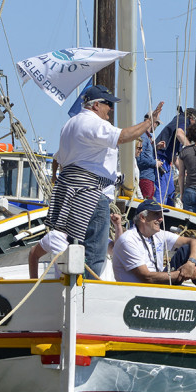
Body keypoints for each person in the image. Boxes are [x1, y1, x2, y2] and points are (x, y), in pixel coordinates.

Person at [28, 86, 164, 278]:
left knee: (75, 244)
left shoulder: (70, 124)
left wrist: (55, 178)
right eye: (108, 104)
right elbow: (124, 136)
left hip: (69, 192)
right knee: (94, 251)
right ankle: (85, 290)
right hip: (91, 193)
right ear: (96, 105)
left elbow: (58, 157)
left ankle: (72, 285)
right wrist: (149, 123)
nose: (111, 108)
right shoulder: (92, 124)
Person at [112, 199, 196, 287]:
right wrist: (183, 274)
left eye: (161, 215)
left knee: (187, 249)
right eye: (156, 214)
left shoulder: (159, 234)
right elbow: (146, 277)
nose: (161, 219)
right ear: (143, 218)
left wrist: (190, 263)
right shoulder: (128, 240)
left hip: (158, 284)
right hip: (141, 290)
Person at [154, 107, 196, 204]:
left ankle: (169, 213)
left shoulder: (178, 120)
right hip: (161, 158)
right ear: (192, 119)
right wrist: (193, 149)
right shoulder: (183, 120)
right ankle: (158, 213)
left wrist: (183, 170)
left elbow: (174, 156)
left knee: (170, 191)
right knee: (162, 191)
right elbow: (179, 133)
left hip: (167, 159)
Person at [136, 113, 162, 199]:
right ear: (153, 123)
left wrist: (156, 148)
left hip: (147, 178)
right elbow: (139, 158)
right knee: (146, 207)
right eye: (157, 124)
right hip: (145, 178)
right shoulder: (143, 137)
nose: (156, 127)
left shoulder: (146, 137)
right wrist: (155, 163)